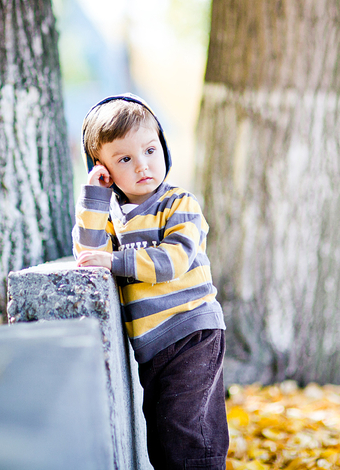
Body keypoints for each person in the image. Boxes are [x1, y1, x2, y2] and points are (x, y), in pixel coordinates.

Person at [73, 93, 228, 470]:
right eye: (124, 159)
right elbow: (89, 253)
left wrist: (115, 261)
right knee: (162, 438)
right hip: (152, 345)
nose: (142, 164)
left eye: (150, 150)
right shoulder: (115, 218)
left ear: (163, 147)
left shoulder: (179, 204)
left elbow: (173, 261)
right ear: (104, 169)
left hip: (192, 332)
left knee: (188, 435)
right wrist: (95, 197)